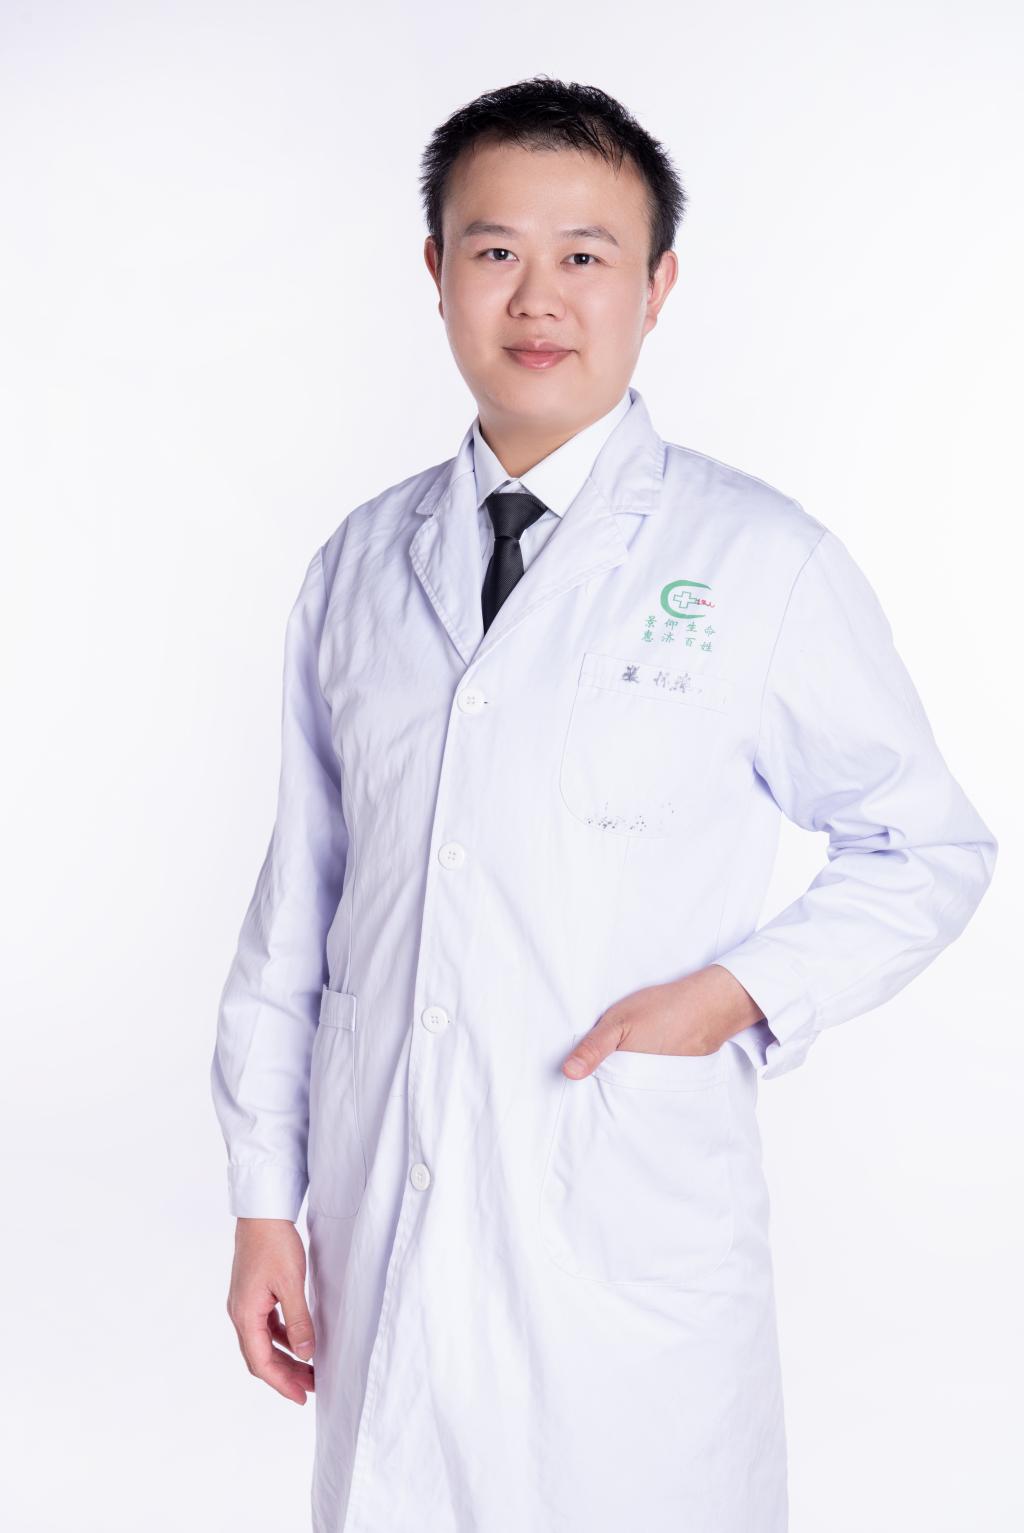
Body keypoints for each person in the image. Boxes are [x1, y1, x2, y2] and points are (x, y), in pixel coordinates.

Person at [209, 75, 998, 1533]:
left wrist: (733, 994)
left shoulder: (759, 560)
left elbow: (926, 846)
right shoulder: (359, 566)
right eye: (496, 249)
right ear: (436, 270)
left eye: (586, 254)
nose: (539, 297)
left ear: (658, 285)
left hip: (625, 1225)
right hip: (384, 1216)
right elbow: (300, 909)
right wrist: (268, 1197)